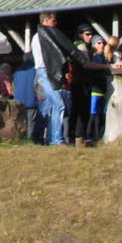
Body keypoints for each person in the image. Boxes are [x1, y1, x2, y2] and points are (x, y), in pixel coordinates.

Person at [30, 11, 87, 146]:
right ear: (46, 21)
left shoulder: (48, 36)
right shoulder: (40, 37)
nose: (55, 24)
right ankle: (55, 139)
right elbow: (50, 56)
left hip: (50, 72)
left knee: (49, 105)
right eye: (53, 21)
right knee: (58, 104)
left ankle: (47, 137)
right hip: (45, 72)